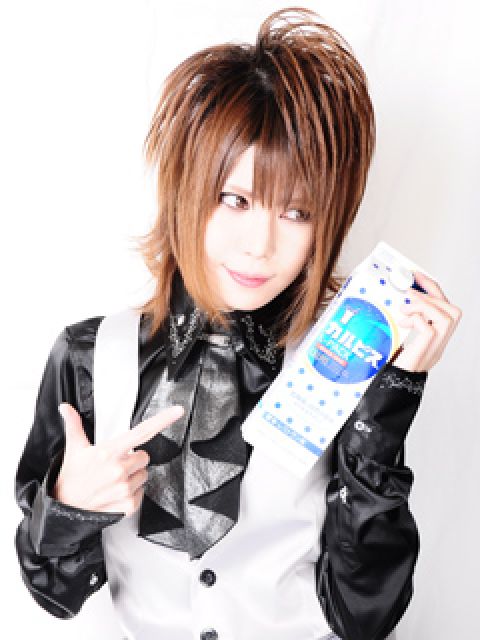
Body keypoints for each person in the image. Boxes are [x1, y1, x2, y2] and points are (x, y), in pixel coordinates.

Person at [14, 7, 461, 640]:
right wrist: (69, 507)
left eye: (297, 212)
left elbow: (365, 614)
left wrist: (391, 401)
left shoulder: (347, 356)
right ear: (187, 189)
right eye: (235, 199)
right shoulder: (89, 355)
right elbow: (54, 595)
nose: (260, 246)